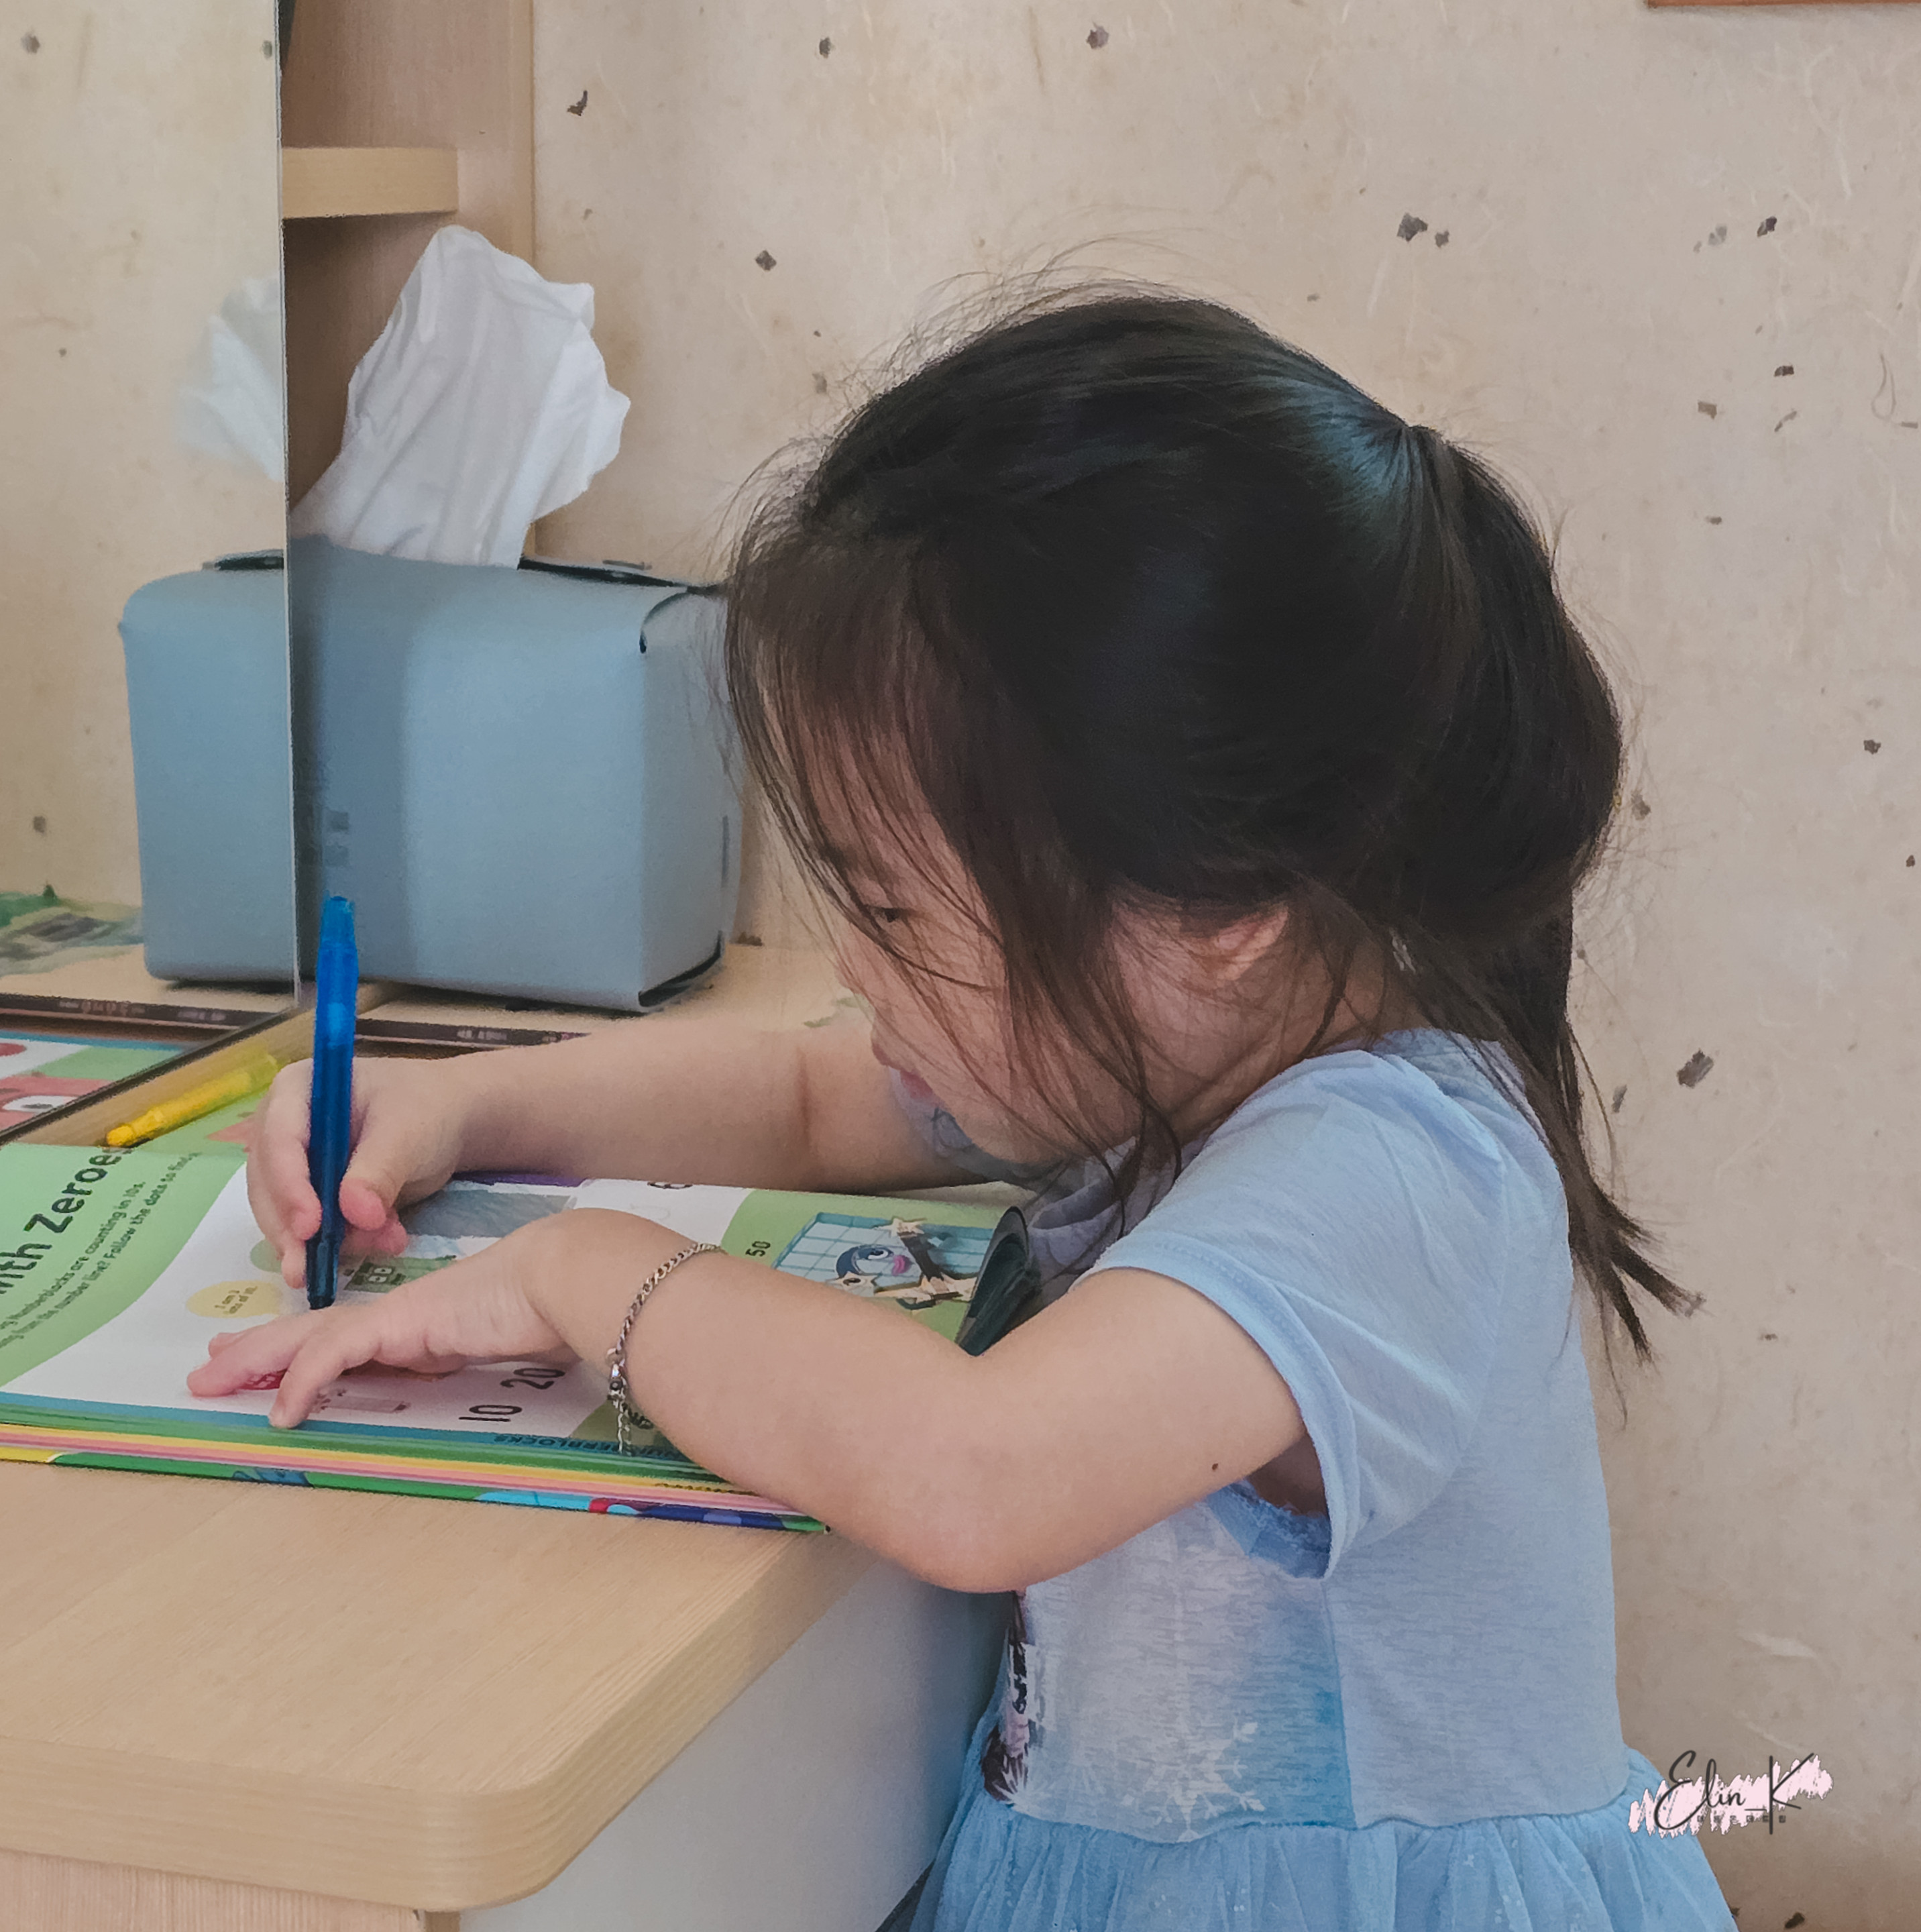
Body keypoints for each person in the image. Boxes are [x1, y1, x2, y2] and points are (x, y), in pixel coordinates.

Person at [188, 288, 1735, 1929]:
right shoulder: (1165, 1040)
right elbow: (804, 1100)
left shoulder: (1390, 1173)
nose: (855, 972)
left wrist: (587, 1272)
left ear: (1220, 906)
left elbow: (973, 1475)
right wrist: (464, 1109)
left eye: (892, 910)